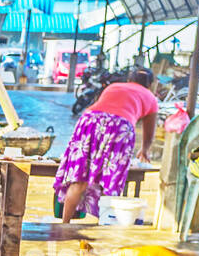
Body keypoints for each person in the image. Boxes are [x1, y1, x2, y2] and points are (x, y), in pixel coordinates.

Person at [54, 67, 159, 222]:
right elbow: (149, 132)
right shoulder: (151, 98)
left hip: (88, 120)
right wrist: (144, 150)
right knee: (109, 180)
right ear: (150, 84)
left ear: (130, 80)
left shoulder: (114, 86)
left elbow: (104, 110)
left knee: (79, 179)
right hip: (119, 126)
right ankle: (104, 224)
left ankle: (65, 224)